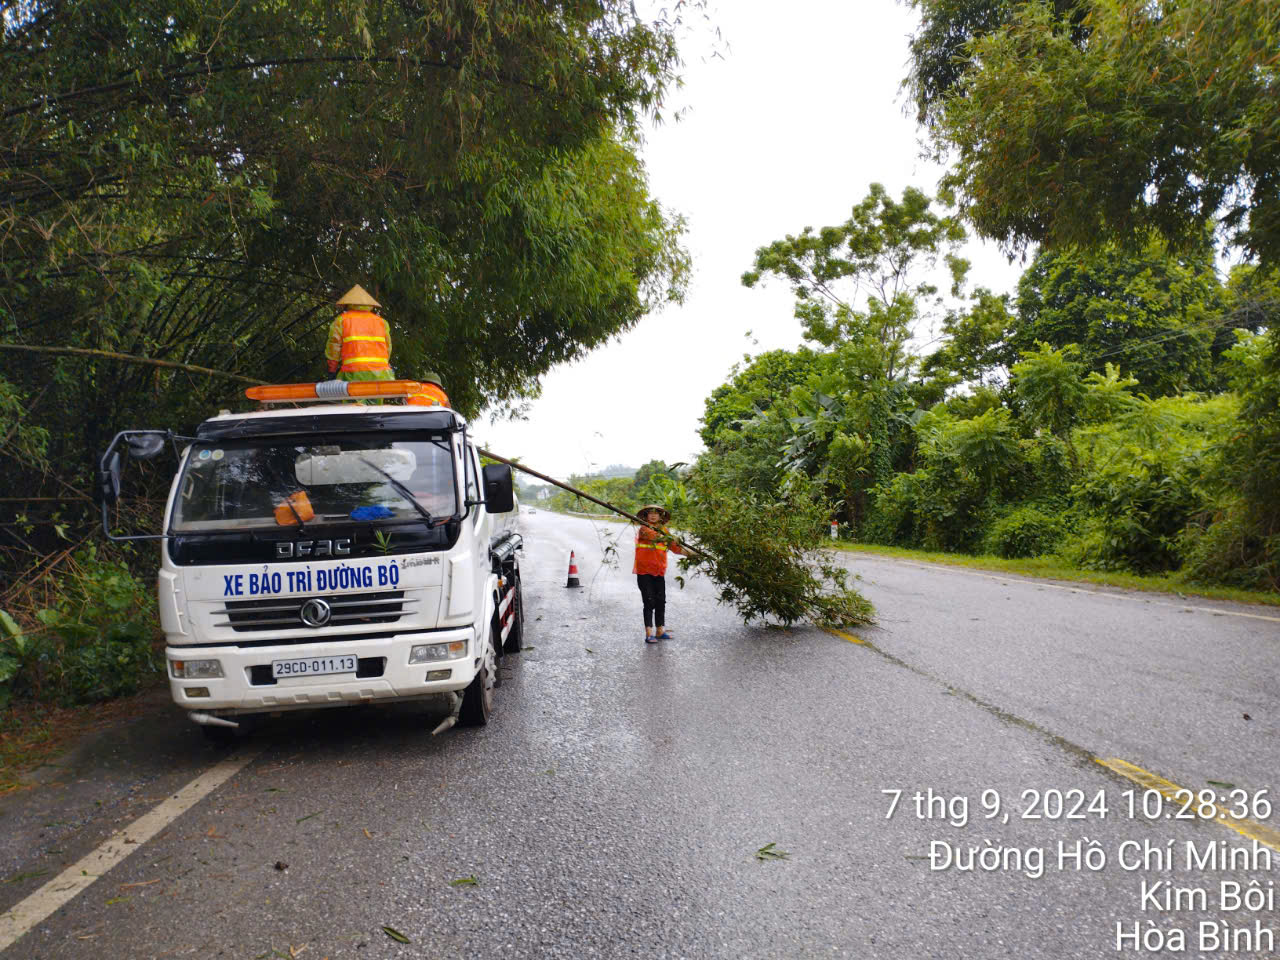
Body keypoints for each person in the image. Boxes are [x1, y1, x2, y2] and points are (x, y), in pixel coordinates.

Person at [633, 504, 684, 644]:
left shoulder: (664, 531)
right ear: (646, 516)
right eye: (650, 513)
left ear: (661, 516)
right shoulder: (644, 529)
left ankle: (660, 631)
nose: (653, 515)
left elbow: (675, 548)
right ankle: (649, 633)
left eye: (656, 513)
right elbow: (658, 537)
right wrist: (669, 538)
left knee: (661, 601)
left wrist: (691, 554)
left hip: (659, 571)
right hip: (644, 571)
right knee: (649, 601)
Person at [325, 284, 395, 385]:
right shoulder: (381, 322)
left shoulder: (342, 320)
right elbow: (387, 348)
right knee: (376, 400)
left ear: (348, 304)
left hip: (353, 373)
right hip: (381, 375)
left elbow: (334, 346)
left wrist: (332, 369)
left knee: (354, 401)